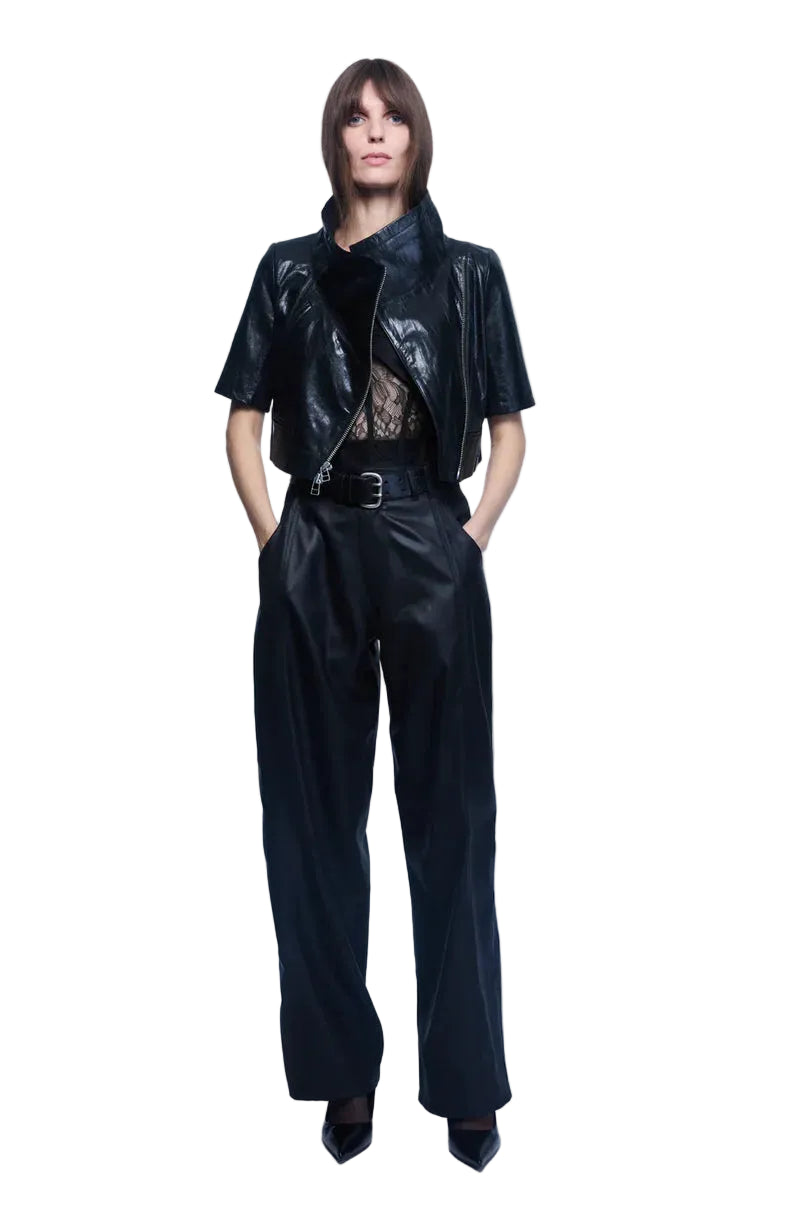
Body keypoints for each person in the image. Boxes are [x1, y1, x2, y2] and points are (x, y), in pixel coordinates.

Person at [215, 59, 535, 1171]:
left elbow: (510, 430)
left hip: (428, 540)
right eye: (355, 117)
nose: (374, 130)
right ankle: (342, 1071)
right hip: (313, 544)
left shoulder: (469, 274)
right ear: (334, 139)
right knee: (309, 826)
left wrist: (468, 537)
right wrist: (276, 544)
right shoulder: (287, 270)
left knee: (454, 819)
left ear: (416, 134)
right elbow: (241, 421)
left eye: (392, 114)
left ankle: (467, 1084)